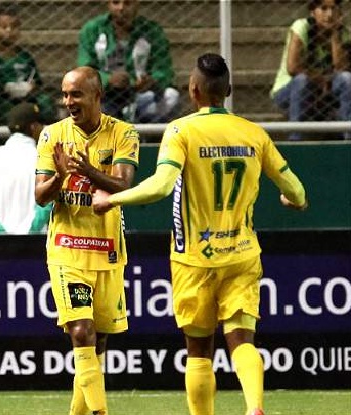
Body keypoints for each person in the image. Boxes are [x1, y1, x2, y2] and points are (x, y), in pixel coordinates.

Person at [93, 53, 309, 415]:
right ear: (229, 90)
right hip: (241, 254)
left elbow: (161, 186)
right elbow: (297, 190)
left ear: (192, 90)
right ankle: (254, 406)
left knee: (198, 351)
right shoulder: (254, 133)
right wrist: (294, 200)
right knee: (241, 339)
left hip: (194, 258)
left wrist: (111, 199)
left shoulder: (181, 131)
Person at [34, 66, 140, 415]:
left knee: (98, 342)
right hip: (67, 250)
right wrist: (60, 176)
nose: (68, 102)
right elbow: (40, 196)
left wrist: (88, 172)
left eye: (76, 94)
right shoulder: (52, 136)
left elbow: (123, 186)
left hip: (107, 251)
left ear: (97, 96)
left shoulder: (123, 134)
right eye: (65, 94)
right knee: (81, 332)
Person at [77, 0, 179, 126]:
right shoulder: (92, 29)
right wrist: (108, 80)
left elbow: (164, 70)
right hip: (104, 96)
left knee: (171, 96)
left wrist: (151, 82)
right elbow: (84, 71)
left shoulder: (152, 31)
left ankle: (145, 132)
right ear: (108, 4)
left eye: (127, 3)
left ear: (137, 4)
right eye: (116, 3)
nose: (121, 8)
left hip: (140, 96)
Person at [0, 5, 56, 126]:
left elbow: (36, 82)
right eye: (4, 27)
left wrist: (32, 88)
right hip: (1, 100)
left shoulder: (25, 57)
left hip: (26, 99)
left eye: (14, 27)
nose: (9, 31)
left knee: (45, 102)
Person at [271, 0, 351, 140]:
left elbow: (341, 68)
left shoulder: (344, 33)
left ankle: (348, 138)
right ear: (313, 12)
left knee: (347, 79)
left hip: (326, 92)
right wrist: (320, 79)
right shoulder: (302, 27)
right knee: (302, 80)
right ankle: (296, 140)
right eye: (323, 8)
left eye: (334, 8)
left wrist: (334, 35)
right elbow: (292, 67)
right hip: (289, 90)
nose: (329, 14)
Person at [0, 102, 51, 234]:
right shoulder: (44, 160)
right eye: (41, 125)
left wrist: (1, 236)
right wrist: (29, 234)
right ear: (33, 127)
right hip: (35, 243)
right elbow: (47, 204)